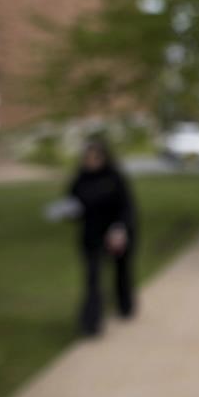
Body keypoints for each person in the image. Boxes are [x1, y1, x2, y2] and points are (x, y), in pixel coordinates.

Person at [67, 137, 137, 336]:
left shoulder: (115, 178)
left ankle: (125, 307)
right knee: (93, 278)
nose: (90, 162)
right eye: (87, 158)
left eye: (94, 158)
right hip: (92, 235)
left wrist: (120, 228)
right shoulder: (80, 179)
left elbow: (126, 207)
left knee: (121, 272)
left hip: (117, 233)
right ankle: (91, 323)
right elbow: (72, 202)